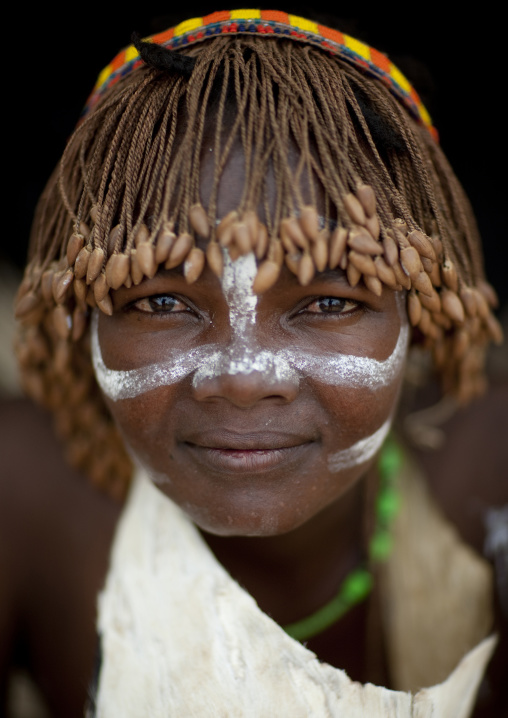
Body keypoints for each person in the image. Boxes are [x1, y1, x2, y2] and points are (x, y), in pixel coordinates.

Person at [12, 9, 506, 716]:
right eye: (160, 303)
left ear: (420, 321)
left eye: (331, 303)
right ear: (78, 317)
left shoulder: (492, 473)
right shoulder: (26, 498)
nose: (243, 375)